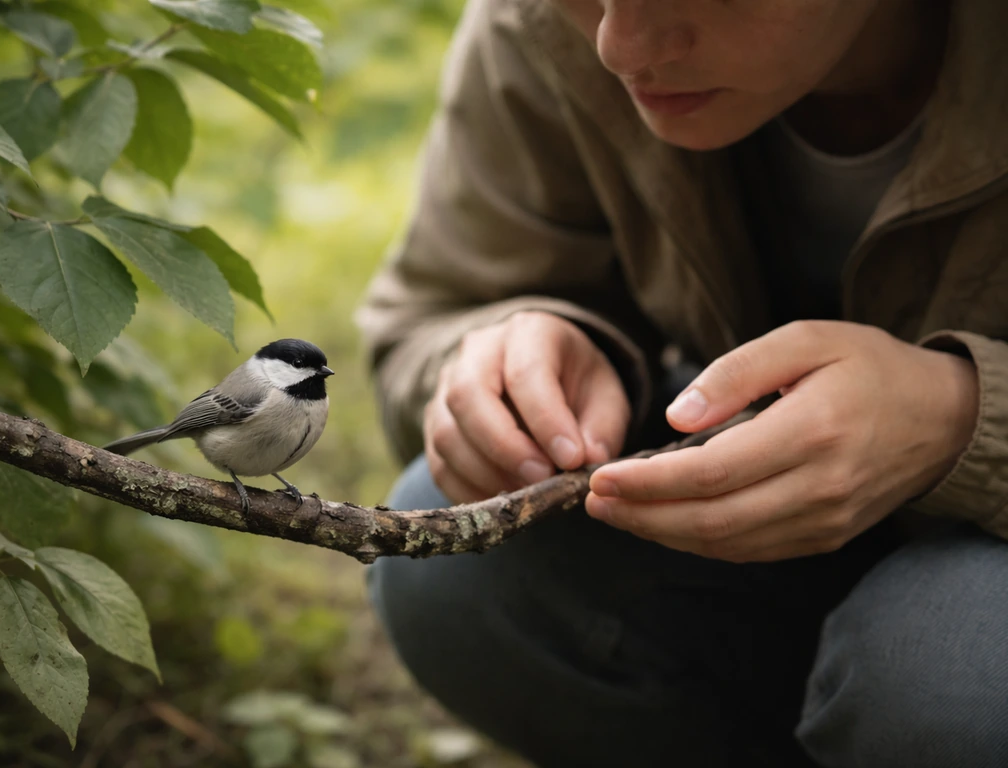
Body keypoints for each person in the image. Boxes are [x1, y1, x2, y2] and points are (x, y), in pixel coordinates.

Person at [355, 0, 1008, 765]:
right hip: (760, 577)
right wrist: (508, 359)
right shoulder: (532, 24)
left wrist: (966, 416)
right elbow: (436, 309)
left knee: (950, 686)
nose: (617, 46)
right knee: (457, 566)